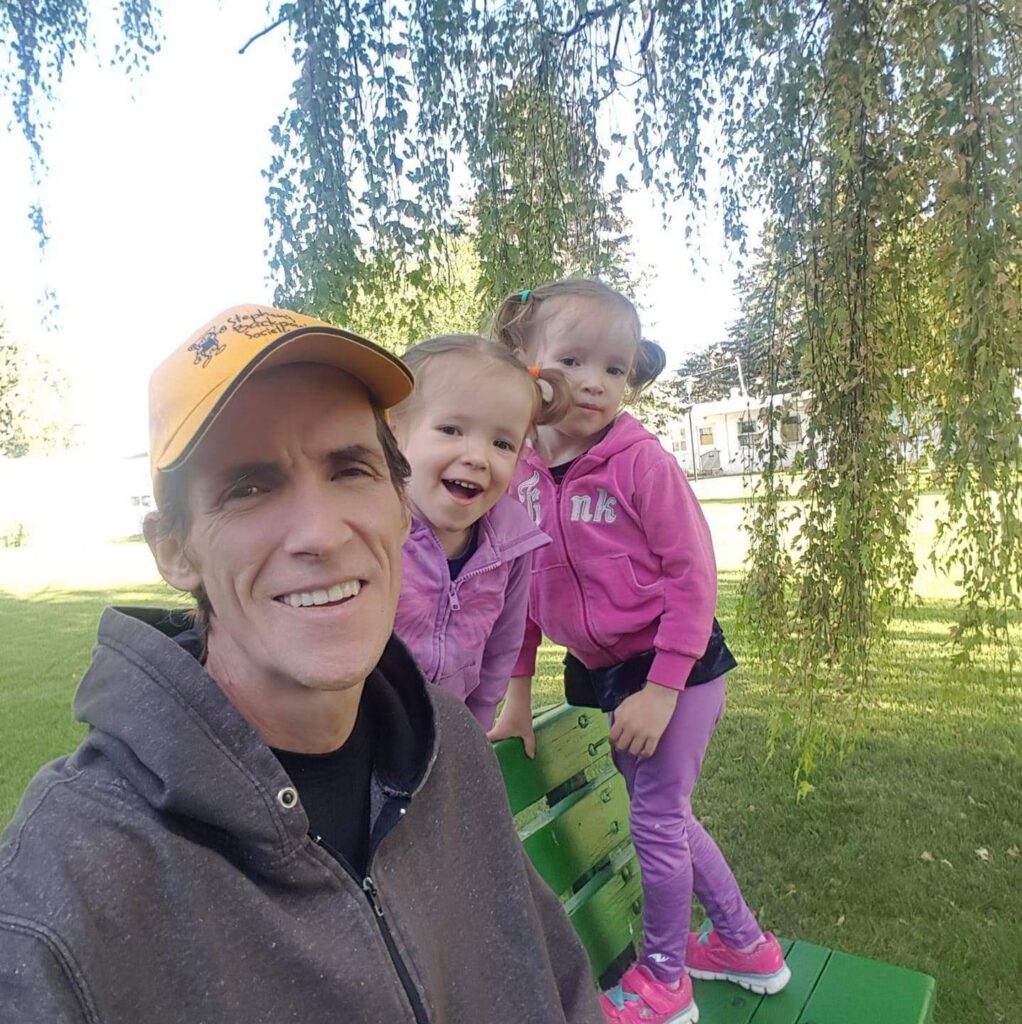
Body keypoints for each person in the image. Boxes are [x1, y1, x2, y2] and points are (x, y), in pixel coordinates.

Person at [0, 304, 604, 1024]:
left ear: (399, 505)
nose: (321, 533)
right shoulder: (65, 887)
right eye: (248, 488)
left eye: (351, 469)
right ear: (175, 551)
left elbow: (556, 987)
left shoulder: (448, 745)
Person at [488, 280, 791, 1024]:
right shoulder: (518, 472)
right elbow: (520, 588)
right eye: (573, 360)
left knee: (655, 820)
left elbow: (694, 576)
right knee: (668, 817)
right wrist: (517, 694)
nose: (595, 382)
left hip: (675, 670)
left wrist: (661, 688)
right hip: (611, 677)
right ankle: (744, 945)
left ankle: (663, 982)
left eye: (615, 369)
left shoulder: (638, 462)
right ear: (525, 361)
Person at [390, 334, 570, 729]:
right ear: (395, 433)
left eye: (502, 443)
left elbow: (503, 645)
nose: (477, 457)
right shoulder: (374, 532)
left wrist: (478, 725)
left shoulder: (511, 544)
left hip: (455, 732)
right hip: (365, 736)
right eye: (451, 430)